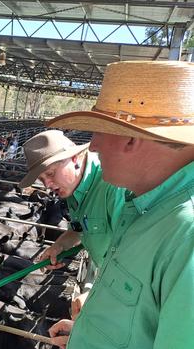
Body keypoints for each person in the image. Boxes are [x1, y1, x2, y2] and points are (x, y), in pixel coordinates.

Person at [44, 61, 194, 349]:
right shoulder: (143, 207)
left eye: (98, 132)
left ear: (131, 138)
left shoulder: (185, 232)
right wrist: (89, 332)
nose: (94, 147)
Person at [20, 130, 123, 272]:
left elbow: (135, 250)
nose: (47, 185)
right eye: (42, 180)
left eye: (50, 173)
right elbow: (80, 228)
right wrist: (59, 246)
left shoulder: (114, 185)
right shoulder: (73, 188)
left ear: (74, 158)